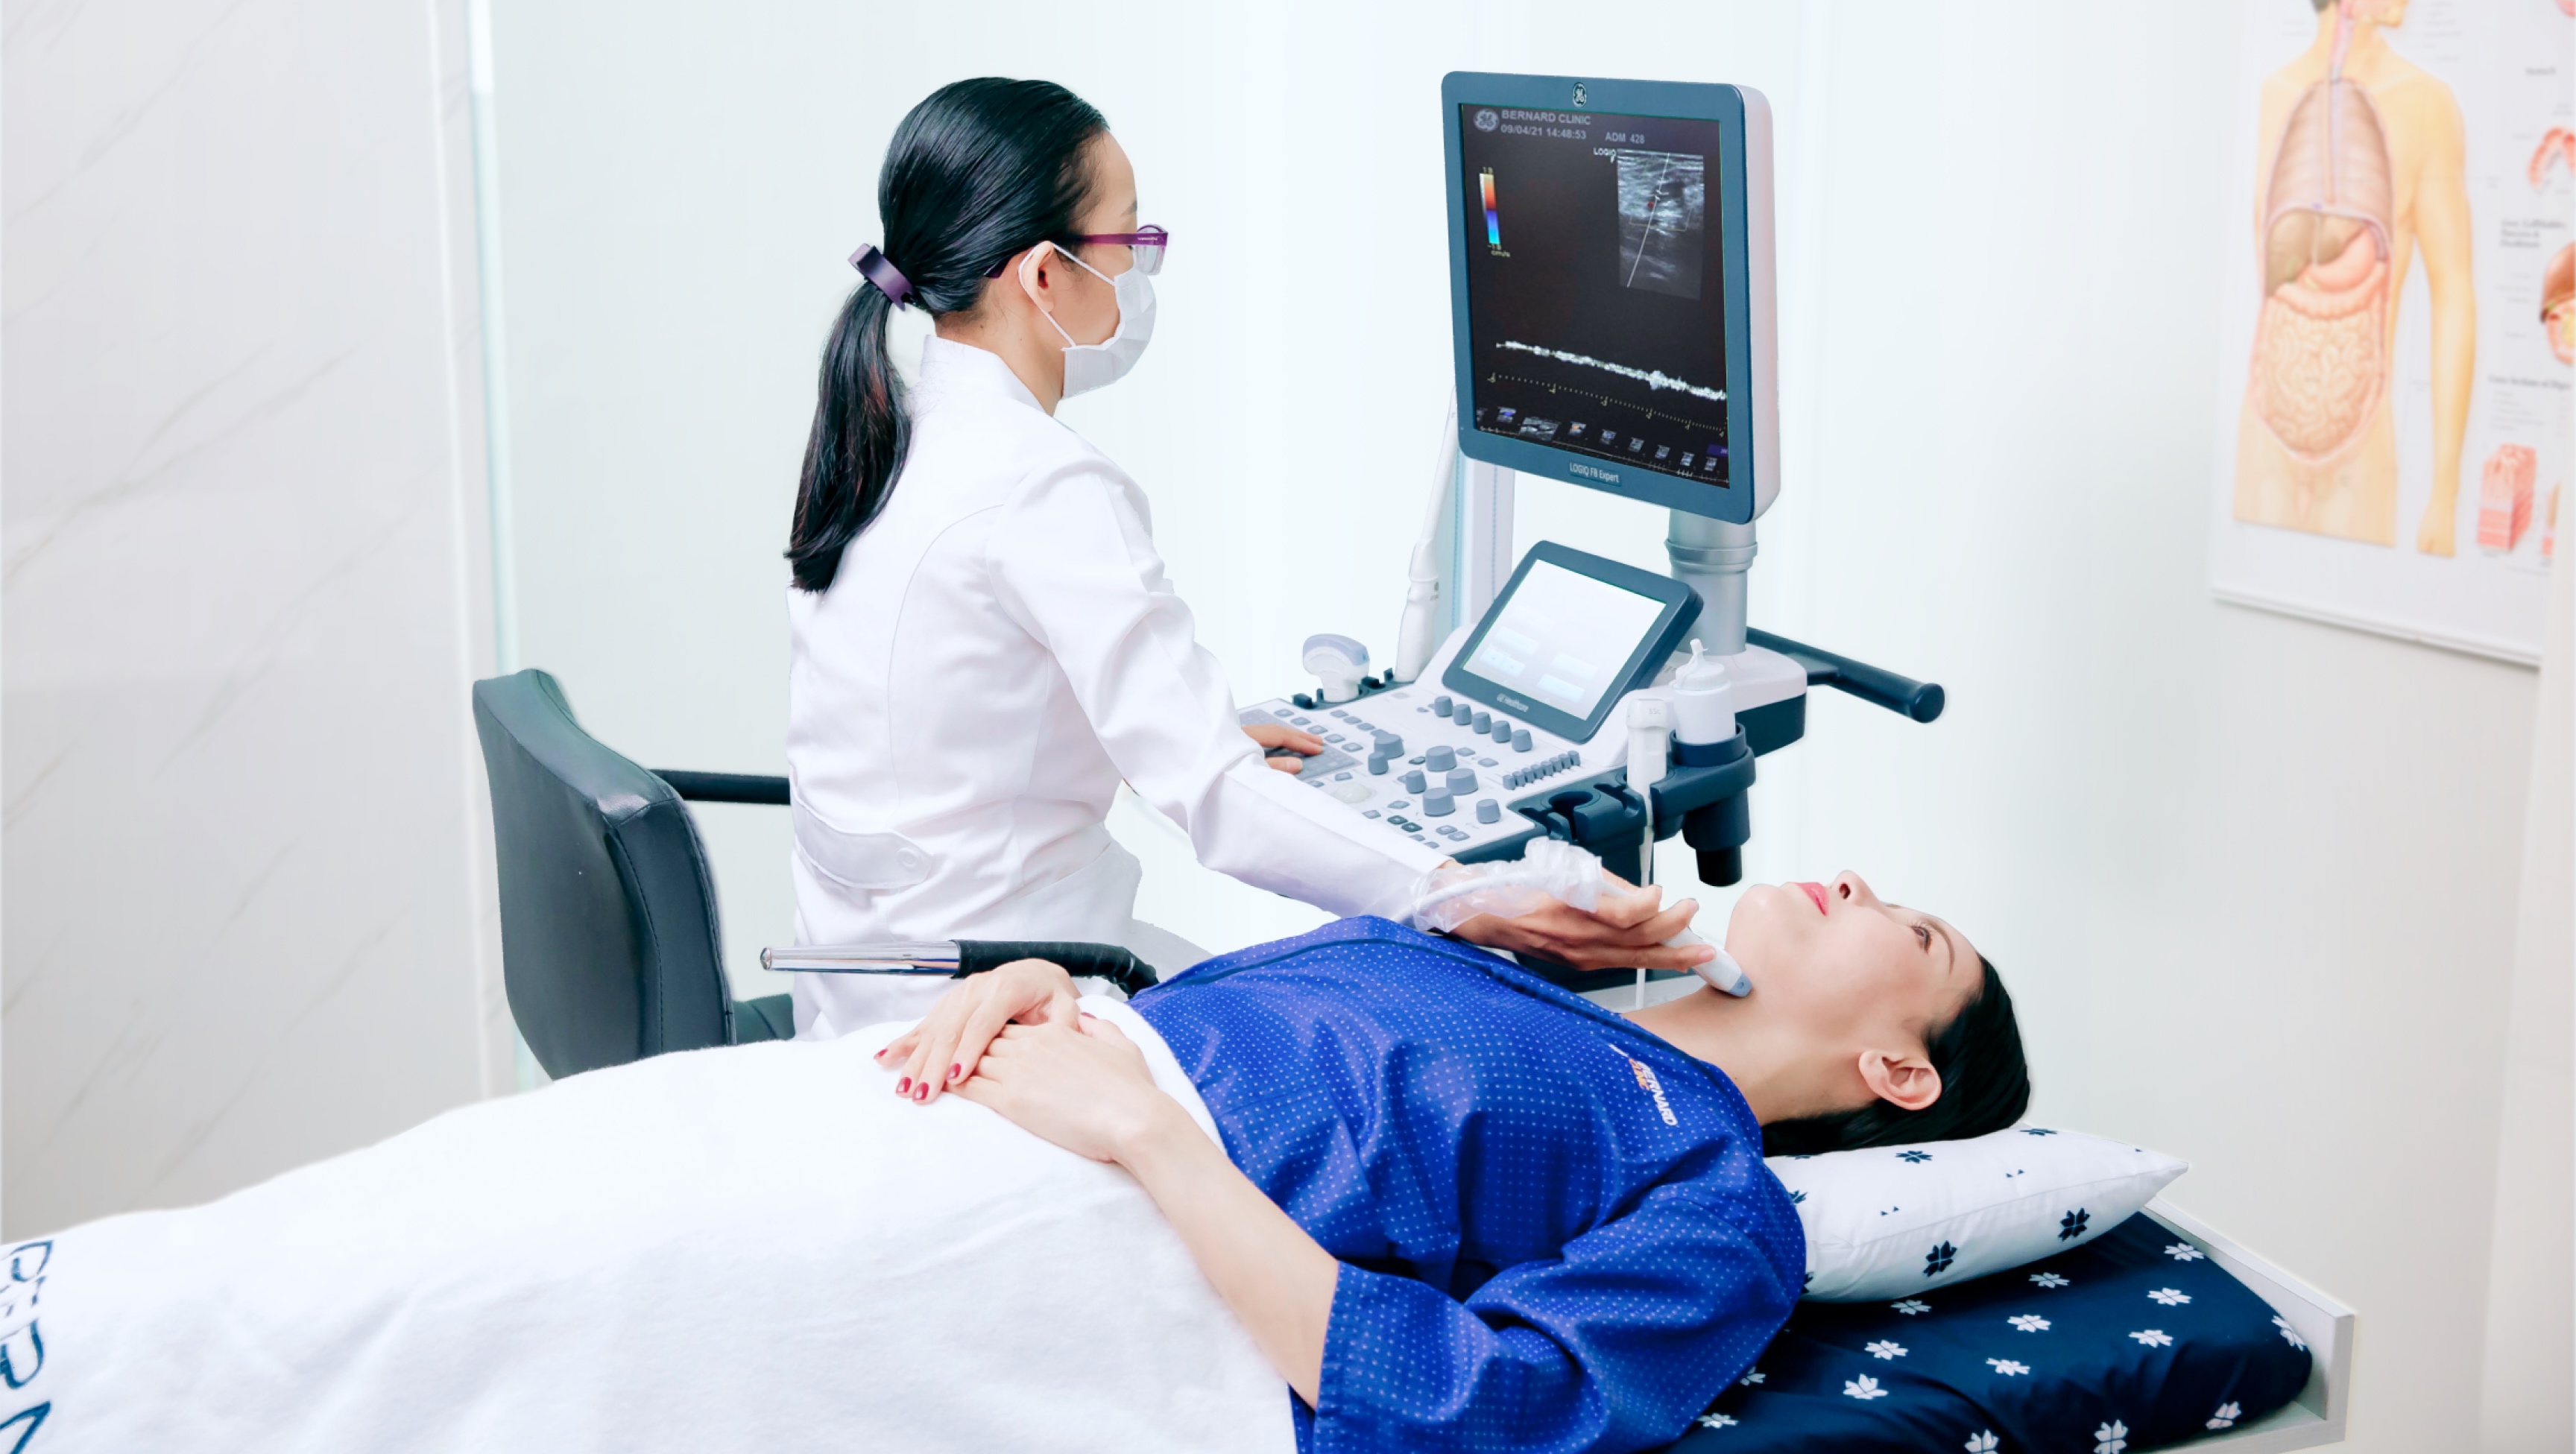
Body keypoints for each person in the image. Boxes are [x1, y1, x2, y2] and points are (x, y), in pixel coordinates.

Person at [19, 871, 2025, 1454]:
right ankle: (71, 1339)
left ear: (1895, 1071)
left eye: (1912, 929)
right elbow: (1247, 1003)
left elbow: (1473, 1411)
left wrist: (1143, 1133)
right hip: (997, 1080)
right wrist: (1065, 982)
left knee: (501, 1304)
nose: (1859, 880)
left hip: (1079, 1216)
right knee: (479, 1189)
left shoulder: (1719, 1204)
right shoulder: (1551, 974)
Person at [783, 78, 1706, 1034]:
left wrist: (1167, 730)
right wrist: (1457, 894)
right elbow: (1218, 800)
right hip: (1008, 1016)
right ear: (1045, 275)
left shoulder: (889, 432)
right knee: (1409, 1029)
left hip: (865, 994)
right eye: (1132, 241)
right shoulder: (1042, 485)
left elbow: (946, 719)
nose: (1142, 270)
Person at [2235, 0, 2474, 552]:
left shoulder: (2426, 107)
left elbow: (2454, 295)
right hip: (2260, 446)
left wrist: (2445, 494)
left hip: (2360, 458)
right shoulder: (2269, 99)